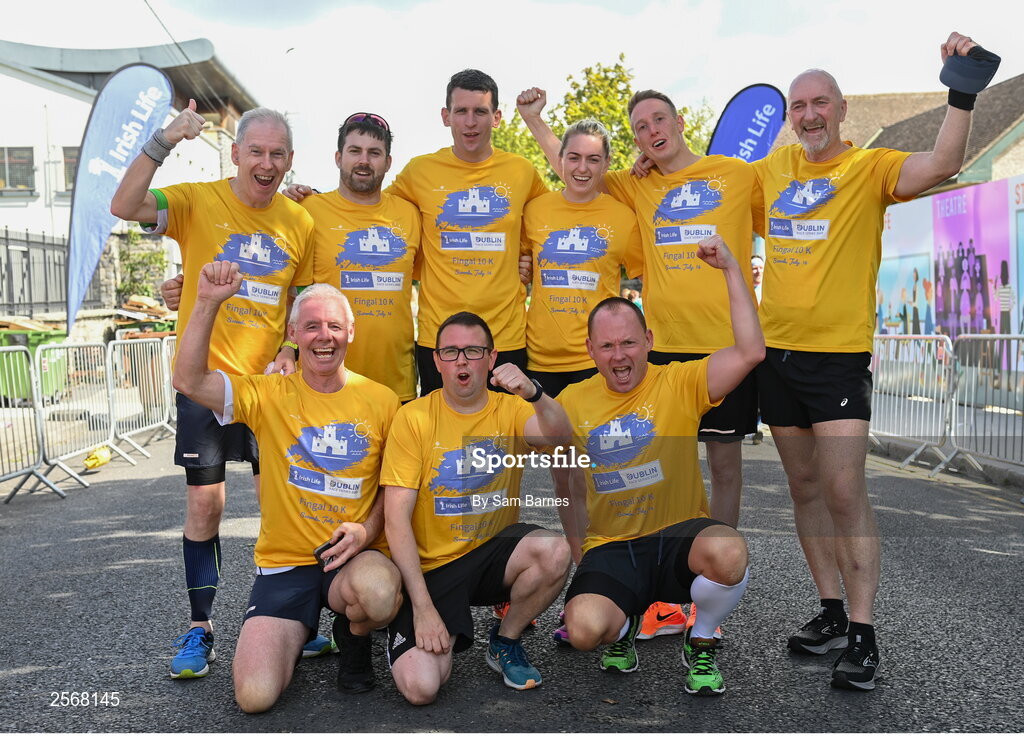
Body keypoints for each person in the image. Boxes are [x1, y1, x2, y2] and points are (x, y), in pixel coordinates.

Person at [751, 32, 987, 691]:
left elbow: (942, 161)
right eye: (798, 107)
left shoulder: (869, 170)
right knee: (802, 489)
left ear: (842, 109)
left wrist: (961, 91)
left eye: (819, 103)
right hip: (777, 357)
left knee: (845, 491)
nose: (808, 116)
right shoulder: (771, 174)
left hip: (838, 360)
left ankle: (863, 630)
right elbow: (710, 192)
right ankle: (829, 609)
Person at [517, 86, 758, 640]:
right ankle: (593, 579)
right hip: (624, 345)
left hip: (714, 340)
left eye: (658, 120)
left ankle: (702, 586)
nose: (652, 130)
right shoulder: (628, 186)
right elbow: (573, 163)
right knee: (583, 474)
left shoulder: (733, 173)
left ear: (676, 121)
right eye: (641, 126)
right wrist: (536, 121)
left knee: (719, 464)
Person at [110, 102, 315, 678]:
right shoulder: (198, 199)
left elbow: (301, 298)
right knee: (206, 505)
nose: (267, 163)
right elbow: (124, 205)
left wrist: (288, 351)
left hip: (272, 390)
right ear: (237, 153)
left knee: (289, 508)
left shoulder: (300, 223)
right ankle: (200, 628)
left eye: (277, 154)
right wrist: (164, 139)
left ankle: (298, 619)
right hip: (206, 384)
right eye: (257, 151)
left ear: (290, 160)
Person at [171, 264, 402, 711]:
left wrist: (366, 531)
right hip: (286, 566)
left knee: (376, 596)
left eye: (335, 325)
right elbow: (189, 381)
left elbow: (393, 489)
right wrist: (206, 303)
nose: (324, 336)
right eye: (312, 325)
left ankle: (352, 637)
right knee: (254, 698)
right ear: (293, 332)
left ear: (351, 331)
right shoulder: (268, 393)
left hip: (352, 558)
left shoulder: (383, 400)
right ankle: (296, 633)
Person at [555, 234, 762, 695]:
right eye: (607, 346)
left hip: (679, 538)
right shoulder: (571, 402)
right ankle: (623, 625)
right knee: (585, 629)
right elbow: (563, 480)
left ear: (648, 340)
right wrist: (577, 549)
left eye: (629, 342)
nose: (620, 355)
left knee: (730, 552)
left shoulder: (681, 382)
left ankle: (701, 637)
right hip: (613, 545)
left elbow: (751, 353)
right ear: (590, 350)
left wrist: (732, 269)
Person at [381, 311, 572, 704]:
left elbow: (560, 438)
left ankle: (505, 640)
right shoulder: (413, 417)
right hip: (432, 570)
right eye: (450, 352)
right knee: (421, 688)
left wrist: (534, 393)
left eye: (472, 350)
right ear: (436, 361)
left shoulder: (512, 409)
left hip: (490, 555)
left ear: (492, 357)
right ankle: (407, 629)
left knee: (555, 550)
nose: (462, 360)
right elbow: (395, 519)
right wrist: (422, 607)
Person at [520, 118, 639, 641]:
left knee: (605, 480)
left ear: (605, 165)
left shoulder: (622, 217)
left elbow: (644, 274)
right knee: (563, 482)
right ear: (560, 159)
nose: (583, 167)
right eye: (575, 157)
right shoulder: (537, 210)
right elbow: (521, 262)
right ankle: (566, 589)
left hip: (598, 364)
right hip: (543, 362)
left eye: (594, 159)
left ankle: (612, 590)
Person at [388, 70, 549, 395]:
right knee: (442, 443)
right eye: (461, 111)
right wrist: (311, 196)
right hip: (440, 340)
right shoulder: (419, 171)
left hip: (506, 339)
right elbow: (371, 211)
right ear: (446, 116)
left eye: (480, 111)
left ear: (497, 117)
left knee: (508, 441)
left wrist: (528, 256)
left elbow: (556, 217)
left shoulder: (521, 171)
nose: (470, 122)